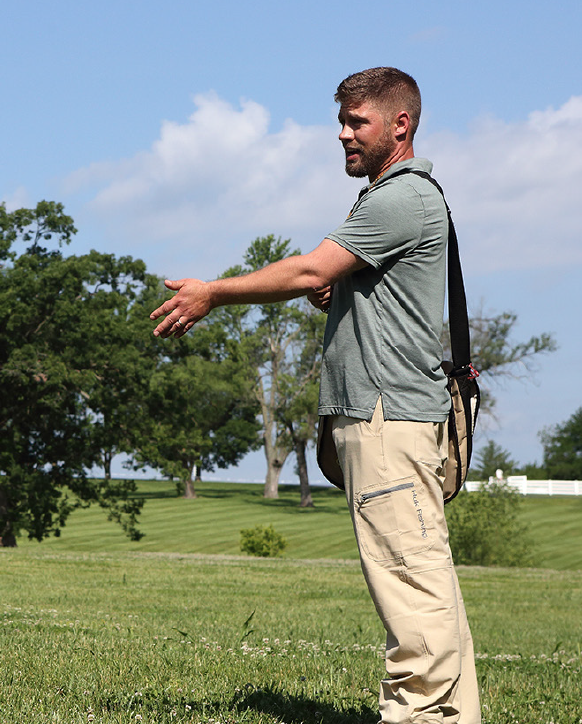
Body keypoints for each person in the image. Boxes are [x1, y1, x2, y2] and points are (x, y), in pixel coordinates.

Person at [150, 67, 480, 724]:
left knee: (415, 604)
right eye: (342, 122)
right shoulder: (389, 200)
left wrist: (213, 292)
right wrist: (337, 292)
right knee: (429, 591)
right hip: (396, 419)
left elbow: (307, 266)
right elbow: (341, 283)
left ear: (400, 125)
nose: (343, 135)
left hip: (387, 421)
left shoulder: (400, 198)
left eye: (358, 122)